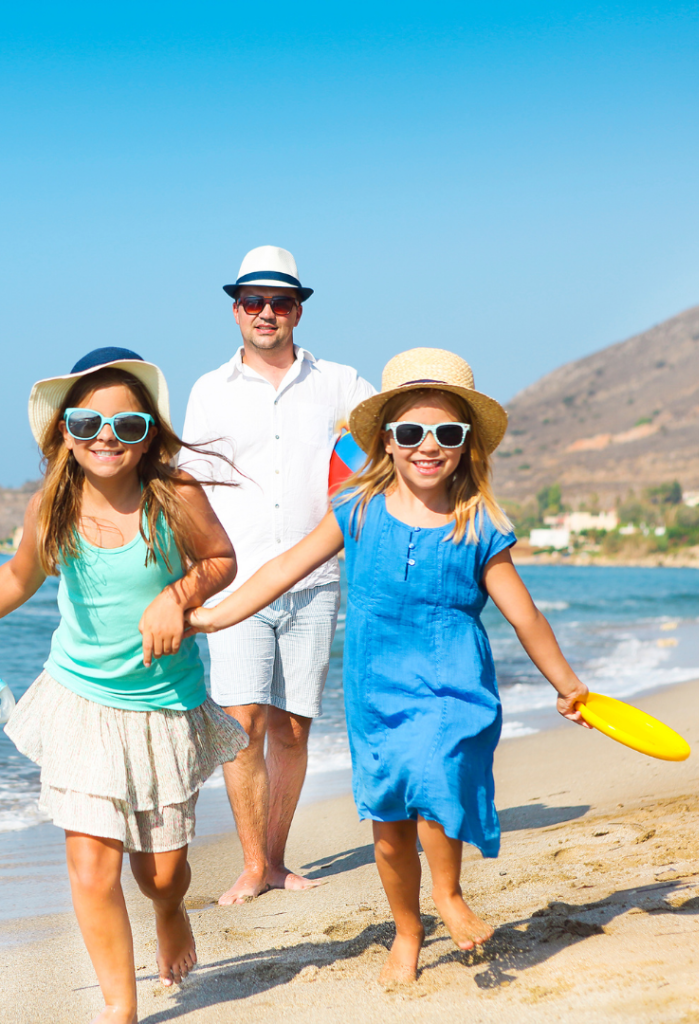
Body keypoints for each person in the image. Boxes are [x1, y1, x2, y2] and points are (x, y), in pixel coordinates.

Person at [187, 348, 592, 983]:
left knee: (435, 787)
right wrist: (215, 615)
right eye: (410, 432)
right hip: (377, 692)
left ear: (466, 446)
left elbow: (526, 617)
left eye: (446, 434)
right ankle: (407, 931)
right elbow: (281, 569)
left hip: (455, 686)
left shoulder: (478, 522)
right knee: (388, 821)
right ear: (386, 441)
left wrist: (568, 685)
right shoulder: (355, 510)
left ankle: (448, 896)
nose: (428, 447)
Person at [0, 348, 247, 1024]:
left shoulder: (172, 496)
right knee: (91, 869)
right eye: (88, 424)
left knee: (160, 874)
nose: (106, 439)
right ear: (64, 431)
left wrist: (178, 594)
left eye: (125, 426)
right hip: (81, 701)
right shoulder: (53, 503)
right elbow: (16, 578)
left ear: (149, 431)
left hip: (161, 709)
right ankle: (120, 1010)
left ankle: (171, 914)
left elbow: (222, 560)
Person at [181, 245, 375, 905]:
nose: (267, 313)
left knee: (292, 726)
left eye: (281, 302)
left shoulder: (342, 383)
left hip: (316, 584)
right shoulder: (209, 390)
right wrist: (188, 583)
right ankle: (249, 864)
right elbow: (193, 490)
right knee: (241, 728)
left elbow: (384, 441)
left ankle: (276, 859)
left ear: (299, 309)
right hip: (234, 588)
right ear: (236, 308)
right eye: (253, 301)